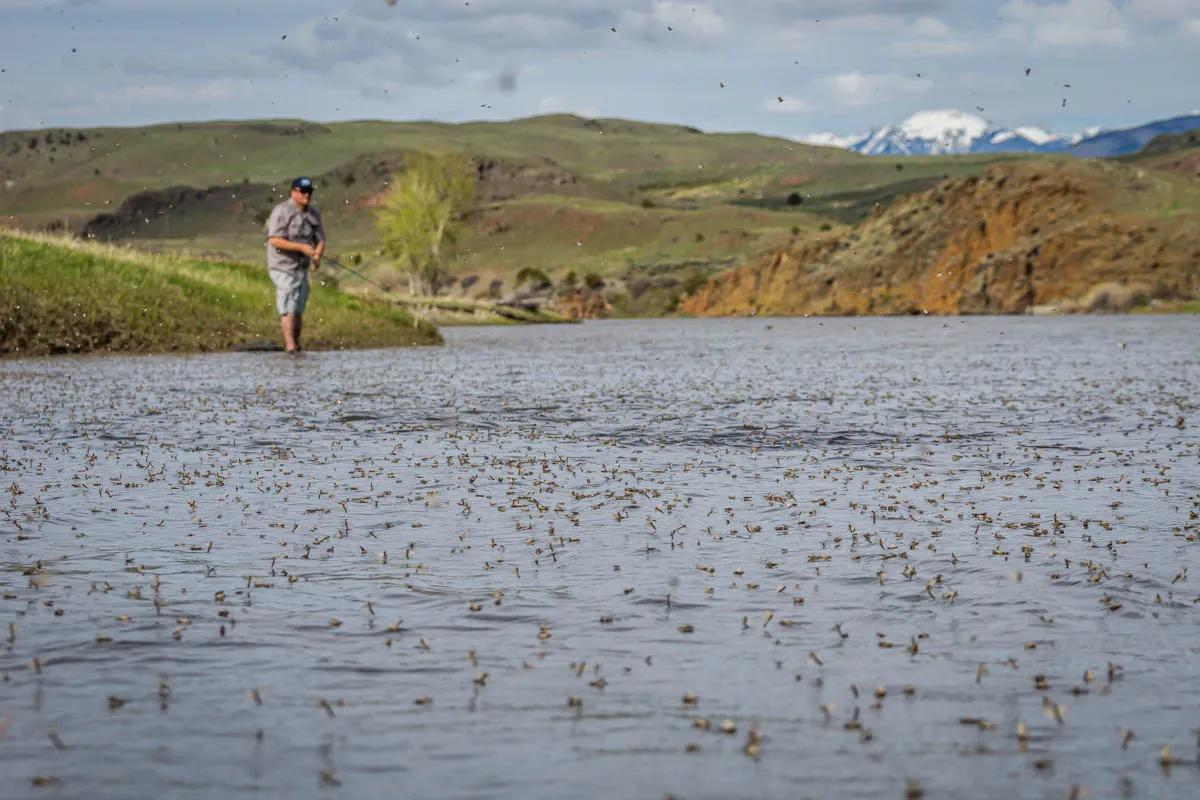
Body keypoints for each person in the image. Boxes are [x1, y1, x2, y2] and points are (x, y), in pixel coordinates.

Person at [265, 177, 325, 352]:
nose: (307, 195)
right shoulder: (281, 212)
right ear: (293, 192)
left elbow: (320, 238)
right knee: (288, 305)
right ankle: (290, 346)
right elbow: (274, 240)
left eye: (309, 192)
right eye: (303, 191)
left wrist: (317, 256)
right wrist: (301, 247)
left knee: (298, 307)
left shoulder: (313, 213)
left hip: (301, 268)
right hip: (282, 266)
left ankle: (296, 345)